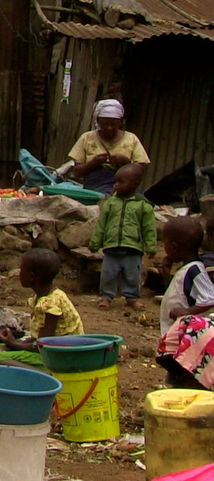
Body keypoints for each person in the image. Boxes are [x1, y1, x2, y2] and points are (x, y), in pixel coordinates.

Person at [0, 248, 84, 369]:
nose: (19, 273)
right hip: (49, 351)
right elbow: (38, 338)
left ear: (31, 276)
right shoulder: (45, 297)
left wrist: (14, 344)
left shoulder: (51, 304)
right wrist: (12, 344)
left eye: (21, 270)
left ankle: (47, 376)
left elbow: (42, 345)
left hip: (61, 358)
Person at [157, 217, 214, 388]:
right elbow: (177, 294)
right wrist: (167, 276)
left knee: (184, 369)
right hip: (179, 336)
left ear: (173, 247)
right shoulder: (187, 269)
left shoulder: (195, 270)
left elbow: (210, 297)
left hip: (188, 338)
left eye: (164, 243)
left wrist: (187, 312)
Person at [89, 163, 155, 311]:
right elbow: (102, 224)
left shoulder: (143, 205)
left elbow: (149, 228)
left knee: (132, 276)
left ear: (135, 184)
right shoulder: (111, 203)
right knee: (108, 275)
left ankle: (132, 298)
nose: (116, 185)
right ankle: (106, 297)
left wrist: (150, 246)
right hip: (112, 247)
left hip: (133, 248)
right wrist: (95, 242)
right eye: (116, 181)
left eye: (121, 182)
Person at [67, 99, 151, 194]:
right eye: (105, 124)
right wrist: (93, 163)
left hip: (126, 185)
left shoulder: (132, 139)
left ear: (120, 122)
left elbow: (140, 171)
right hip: (96, 184)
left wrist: (126, 162)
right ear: (98, 121)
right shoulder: (87, 138)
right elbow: (77, 172)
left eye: (113, 124)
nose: (109, 128)